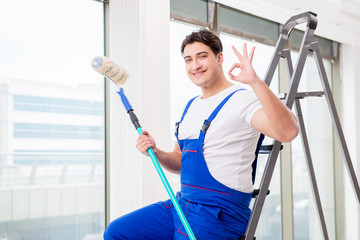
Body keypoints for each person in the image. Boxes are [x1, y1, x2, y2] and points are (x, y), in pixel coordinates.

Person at [103, 29, 299, 240]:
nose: (194, 65)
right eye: (188, 59)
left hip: (219, 213)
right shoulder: (191, 106)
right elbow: (179, 162)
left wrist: (254, 82)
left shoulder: (242, 100)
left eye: (202, 56)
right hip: (182, 205)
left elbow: (288, 132)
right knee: (117, 233)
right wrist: (156, 151)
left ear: (219, 58)